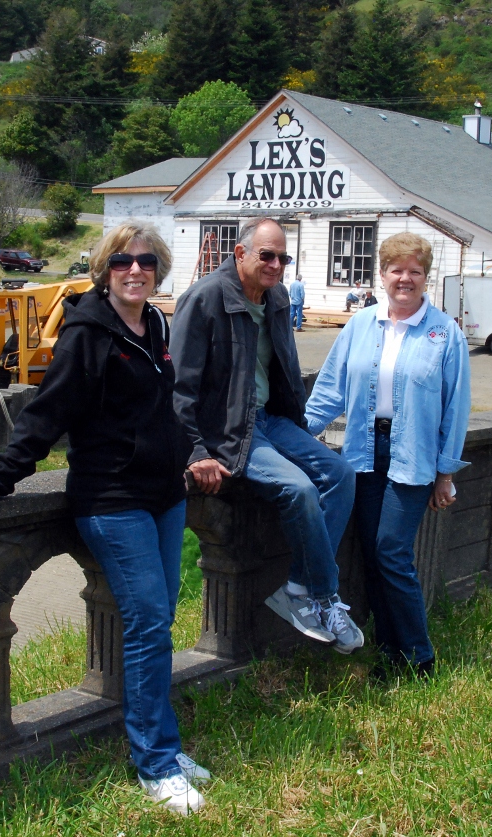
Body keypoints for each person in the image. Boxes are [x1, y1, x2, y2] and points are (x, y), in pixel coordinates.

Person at [0, 223, 210, 816]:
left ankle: (162, 745)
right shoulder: (86, 334)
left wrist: (191, 452)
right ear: (105, 270)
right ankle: (155, 763)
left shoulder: (154, 324)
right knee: (149, 620)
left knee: (159, 621)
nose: (136, 271)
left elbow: (165, 408)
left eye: (147, 262)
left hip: (164, 494)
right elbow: (47, 413)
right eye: (123, 262)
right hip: (112, 499)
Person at [170, 216, 363, 654]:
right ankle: (324, 597)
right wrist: (195, 450)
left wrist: (301, 428)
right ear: (240, 254)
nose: (276, 265)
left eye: (283, 257)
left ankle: (297, 588)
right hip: (230, 431)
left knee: (340, 474)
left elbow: (285, 373)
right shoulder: (203, 299)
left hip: (272, 421)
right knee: (297, 489)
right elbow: (178, 387)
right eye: (267, 255)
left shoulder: (275, 298)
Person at [305, 232, 471, 679]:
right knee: (372, 555)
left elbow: (455, 409)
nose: (405, 278)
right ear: (382, 274)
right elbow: (329, 391)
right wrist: (297, 437)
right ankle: (389, 650)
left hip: (413, 454)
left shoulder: (445, 334)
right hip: (362, 451)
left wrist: (445, 473)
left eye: (415, 271)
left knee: (392, 551)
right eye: (396, 269)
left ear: (425, 277)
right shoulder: (361, 325)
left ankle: (419, 656)